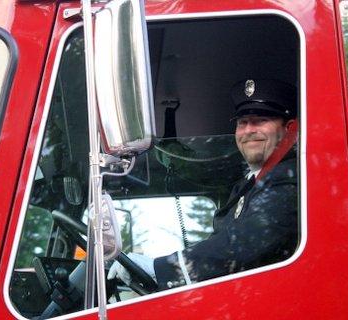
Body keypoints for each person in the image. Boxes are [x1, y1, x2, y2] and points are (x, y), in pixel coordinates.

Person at [108, 79, 299, 291]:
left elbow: (247, 242)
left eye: (260, 120)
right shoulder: (250, 184)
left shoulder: (289, 179)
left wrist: (159, 268)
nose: (248, 131)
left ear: (289, 129)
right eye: (242, 123)